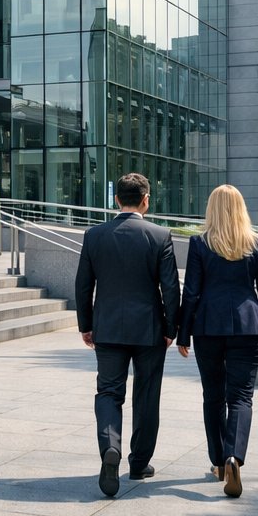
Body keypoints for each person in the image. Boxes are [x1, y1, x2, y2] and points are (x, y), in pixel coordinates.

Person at [74, 172, 180, 498]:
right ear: (146, 200)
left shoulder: (94, 235)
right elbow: (171, 288)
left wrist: (86, 325)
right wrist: (171, 328)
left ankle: (111, 447)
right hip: (149, 330)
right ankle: (139, 463)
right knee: (147, 395)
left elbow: (83, 285)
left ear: (117, 200)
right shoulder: (160, 235)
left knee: (108, 392)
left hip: (107, 327)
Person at [176, 185, 258, 499]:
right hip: (249, 326)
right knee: (241, 397)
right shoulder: (256, 243)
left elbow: (191, 292)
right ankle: (234, 456)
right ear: (241, 209)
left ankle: (220, 463)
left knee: (213, 396)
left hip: (208, 326)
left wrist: (183, 333)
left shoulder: (200, 244)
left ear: (211, 209)